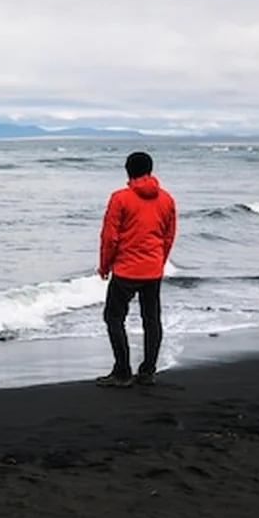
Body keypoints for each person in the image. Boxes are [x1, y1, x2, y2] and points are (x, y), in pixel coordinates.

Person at [95, 151, 176, 387]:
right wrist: (160, 261)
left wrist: (104, 265)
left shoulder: (120, 198)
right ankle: (147, 371)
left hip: (126, 270)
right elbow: (168, 236)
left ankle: (122, 372)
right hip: (153, 268)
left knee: (113, 317)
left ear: (127, 171)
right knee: (151, 319)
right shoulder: (167, 199)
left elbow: (110, 237)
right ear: (150, 170)